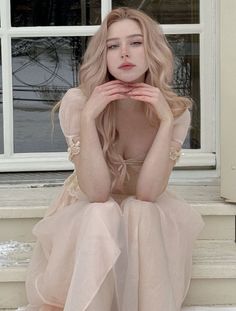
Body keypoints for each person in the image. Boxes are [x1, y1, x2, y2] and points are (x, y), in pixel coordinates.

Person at [25, 7, 205, 311]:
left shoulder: (174, 111)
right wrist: (89, 118)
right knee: (101, 212)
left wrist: (163, 122)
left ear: (152, 51)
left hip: (142, 213)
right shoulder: (79, 102)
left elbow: (148, 193)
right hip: (88, 214)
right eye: (112, 45)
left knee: (142, 210)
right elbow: (96, 193)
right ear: (103, 55)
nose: (124, 53)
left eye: (135, 43)